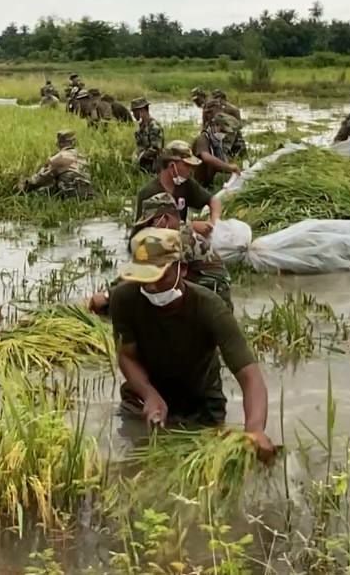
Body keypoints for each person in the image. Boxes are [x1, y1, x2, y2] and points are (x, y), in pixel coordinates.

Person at [108, 227, 275, 460]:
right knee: (137, 464)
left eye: (159, 277)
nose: (152, 287)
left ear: (182, 270)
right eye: (144, 279)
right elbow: (127, 355)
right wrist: (149, 395)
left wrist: (255, 430)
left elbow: (250, 377)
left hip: (200, 408)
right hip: (142, 403)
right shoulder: (123, 299)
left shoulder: (210, 308)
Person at [90, 191, 233, 313]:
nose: (149, 228)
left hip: (214, 300)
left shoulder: (180, 238)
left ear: (164, 219)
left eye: (151, 223)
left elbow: (147, 275)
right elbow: (140, 268)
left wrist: (108, 295)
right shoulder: (176, 233)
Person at [135, 141, 223, 229]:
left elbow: (214, 201)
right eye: (187, 165)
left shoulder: (186, 184)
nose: (191, 170)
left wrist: (214, 222)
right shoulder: (149, 193)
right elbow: (146, 232)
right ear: (172, 166)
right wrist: (191, 227)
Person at [19, 130, 94, 199]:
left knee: (39, 192)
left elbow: (43, 177)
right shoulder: (82, 157)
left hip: (72, 195)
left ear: (59, 144)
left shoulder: (60, 157)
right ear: (74, 142)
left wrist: (26, 184)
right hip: (89, 193)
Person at [190, 117, 243, 189]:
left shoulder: (216, 143)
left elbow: (220, 162)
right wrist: (230, 167)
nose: (223, 134)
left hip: (207, 183)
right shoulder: (203, 139)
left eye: (225, 132)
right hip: (197, 183)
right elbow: (206, 157)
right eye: (222, 130)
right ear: (215, 126)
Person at [131, 97, 164, 173]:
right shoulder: (141, 127)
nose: (133, 115)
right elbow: (140, 146)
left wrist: (140, 156)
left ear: (142, 110)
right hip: (143, 167)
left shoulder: (154, 126)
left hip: (154, 167)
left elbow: (156, 149)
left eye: (135, 112)